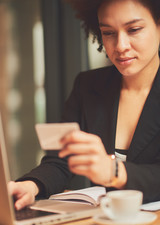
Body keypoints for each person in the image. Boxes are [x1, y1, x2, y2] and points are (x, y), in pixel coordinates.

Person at [8, 0, 160, 210]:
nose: (121, 46)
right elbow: (61, 160)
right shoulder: (88, 86)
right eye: (108, 32)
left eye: (133, 29)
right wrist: (32, 185)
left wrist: (114, 171)